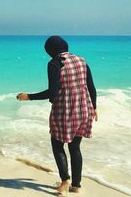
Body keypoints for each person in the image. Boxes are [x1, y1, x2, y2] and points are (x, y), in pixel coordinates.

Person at [17, 36, 98, 194]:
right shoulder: (82, 60)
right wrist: (94, 107)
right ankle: (76, 186)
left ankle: (65, 181)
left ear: (50, 51)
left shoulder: (54, 63)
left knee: (57, 144)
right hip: (83, 109)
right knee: (75, 147)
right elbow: (91, 87)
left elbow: (53, 93)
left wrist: (29, 96)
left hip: (64, 111)